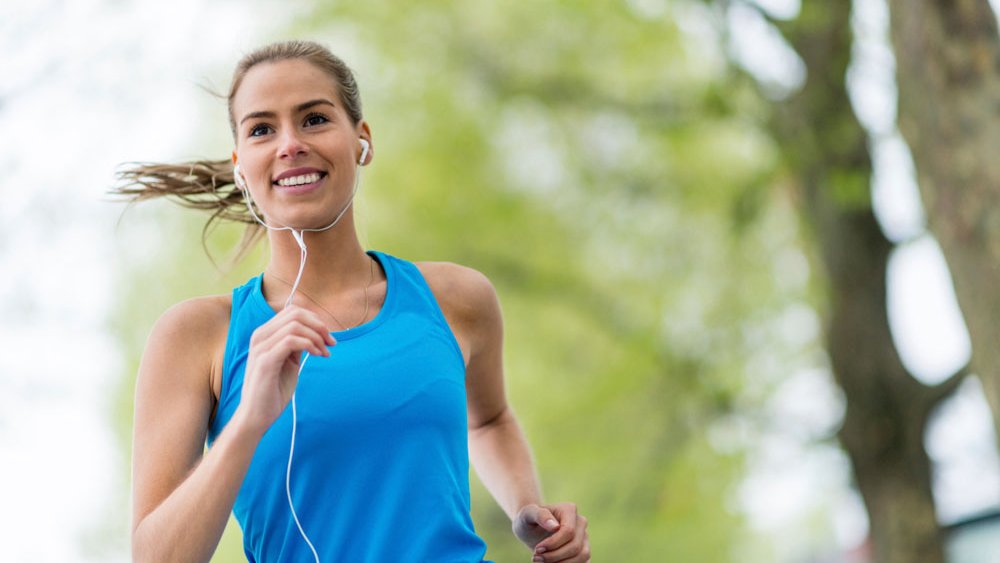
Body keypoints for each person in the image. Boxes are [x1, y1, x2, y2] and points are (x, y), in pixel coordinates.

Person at [117, 40, 590, 562]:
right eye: (261, 129)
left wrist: (527, 509)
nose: (290, 144)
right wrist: (249, 419)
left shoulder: (457, 298)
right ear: (240, 166)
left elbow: (490, 419)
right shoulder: (196, 336)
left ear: (361, 140)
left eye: (315, 119)